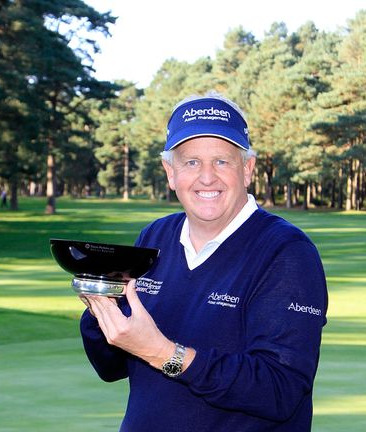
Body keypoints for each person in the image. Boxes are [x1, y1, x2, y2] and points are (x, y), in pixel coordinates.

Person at [80, 91, 328, 431]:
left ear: (248, 169)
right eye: (191, 162)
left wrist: (164, 353)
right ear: (170, 172)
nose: (206, 176)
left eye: (222, 161)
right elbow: (110, 367)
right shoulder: (155, 238)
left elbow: (279, 391)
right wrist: (99, 308)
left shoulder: (286, 252)